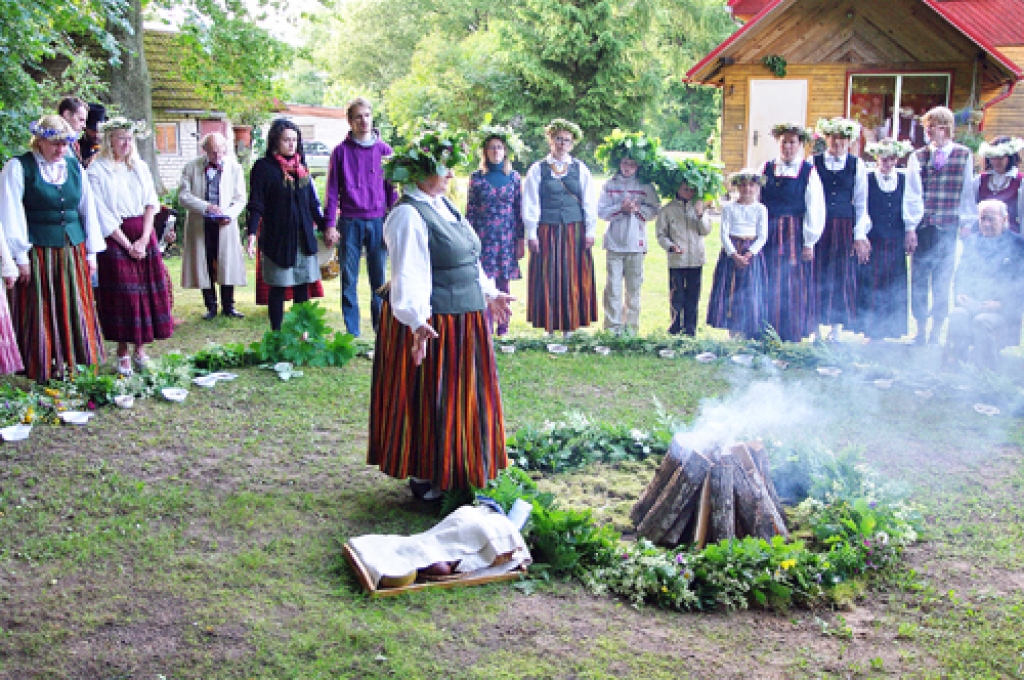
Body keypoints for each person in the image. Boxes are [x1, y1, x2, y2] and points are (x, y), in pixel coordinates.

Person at [368, 124, 513, 501]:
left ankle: (460, 465)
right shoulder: (408, 215)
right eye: (444, 168)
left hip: (466, 318)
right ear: (420, 171)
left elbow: (467, 256)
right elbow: (408, 273)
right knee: (437, 397)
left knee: (462, 396)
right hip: (437, 322)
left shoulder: (443, 205)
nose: (451, 175)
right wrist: (417, 321)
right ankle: (430, 473)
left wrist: (489, 292)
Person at [0, 115, 105, 381]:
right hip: (38, 249)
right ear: (40, 141)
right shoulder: (18, 167)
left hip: (72, 247)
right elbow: (10, 213)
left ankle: (75, 364)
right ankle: (43, 365)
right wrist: (19, 256)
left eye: (64, 144)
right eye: (54, 144)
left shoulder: (73, 167)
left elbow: (87, 209)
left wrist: (92, 251)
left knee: (74, 305)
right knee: (42, 306)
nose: (60, 150)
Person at [88, 117, 174, 375]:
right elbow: (100, 211)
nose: (125, 143)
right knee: (124, 296)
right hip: (115, 237)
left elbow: (151, 203)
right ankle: (122, 352)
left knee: (145, 293)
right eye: (120, 138)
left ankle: (140, 350)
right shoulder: (97, 170)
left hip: (142, 233)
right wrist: (127, 245)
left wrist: (146, 237)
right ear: (109, 140)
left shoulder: (140, 167)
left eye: (129, 138)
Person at [322, 97, 397, 337]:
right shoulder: (340, 152)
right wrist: (330, 224)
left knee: (379, 280)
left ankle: (380, 330)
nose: (363, 120)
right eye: (358, 116)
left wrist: (393, 223)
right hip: (350, 222)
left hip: (378, 222)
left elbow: (392, 191)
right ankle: (352, 333)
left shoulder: (384, 151)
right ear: (350, 121)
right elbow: (332, 191)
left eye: (367, 115)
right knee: (349, 279)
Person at [905, 106, 977, 345]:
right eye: (926, 126)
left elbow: (967, 193)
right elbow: (913, 194)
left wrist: (966, 222)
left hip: (948, 228)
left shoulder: (964, 155)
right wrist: (911, 227)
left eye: (931, 126)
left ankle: (937, 330)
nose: (927, 131)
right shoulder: (918, 156)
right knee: (918, 281)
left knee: (942, 281)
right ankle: (921, 329)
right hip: (924, 228)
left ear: (944, 128)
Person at [246, 118, 326, 331]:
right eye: (286, 140)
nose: (291, 144)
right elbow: (256, 203)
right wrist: (252, 234)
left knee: (302, 288)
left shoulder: (302, 168)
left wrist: (326, 225)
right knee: (278, 288)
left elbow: (311, 204)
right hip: (277, 239)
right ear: (275, 142)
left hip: (303, 238)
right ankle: (277, 335)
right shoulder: (263, 168)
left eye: (294, 140)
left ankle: (301, 335)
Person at [522, 118, 598, 335]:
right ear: (550, 140)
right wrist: (532, 233)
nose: (562, 144)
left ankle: (570, 324)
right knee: (549, 275)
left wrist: (590, 230)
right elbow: (530, 203)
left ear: (572, 144)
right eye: (558, 139)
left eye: (567, 140)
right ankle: (549, 324)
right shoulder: (538, 169)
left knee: (572, 274)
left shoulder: (579, 168)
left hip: (574, 229)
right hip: (547, 229)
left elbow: (589, 201)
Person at [759, 123, 826, 342]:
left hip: (793, 233)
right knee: (767, 277)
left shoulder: (808, 171)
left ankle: (791, 332)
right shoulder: (766, 168)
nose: (788, 147)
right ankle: (765, 330)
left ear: (800, 145)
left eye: (792, 142)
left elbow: (814, 207)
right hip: (768, 232)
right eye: (784, 142)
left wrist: (809, 242)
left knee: (791, 281)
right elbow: (756, 200)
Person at [856, 139, 923, 342]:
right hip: (874, 238)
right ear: (877, 157)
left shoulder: (903, 179)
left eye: (892, 158)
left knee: (893, 283)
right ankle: (871, 332)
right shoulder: (867, 178)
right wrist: (861, 235)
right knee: (872, 284)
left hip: (894, 238)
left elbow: (911, 204)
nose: (888, 162)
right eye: (884, 158)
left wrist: (910, 230)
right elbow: (861, 207)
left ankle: (891, 330)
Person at [945, 200, 1024, 368]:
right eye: (983, 219)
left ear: (1004, 219)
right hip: (973, 304)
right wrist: (960, 295)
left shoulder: (1018, 245)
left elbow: (1020, 285)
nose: (986, 224)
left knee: (982, 321)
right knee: (958, 315)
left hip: (1003, 311)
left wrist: (1000, 304)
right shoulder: (972, 242)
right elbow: (960, 276)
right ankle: (955, 369)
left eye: (991, 219)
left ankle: (985, 376)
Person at [812, 117, 871, 340]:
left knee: (840, 275)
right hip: (820, 226)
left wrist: (859, 233)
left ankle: (835, 329)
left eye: (843, 138)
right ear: (826, 138)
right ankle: (815, 329)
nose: (838, 143)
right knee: (817, 274)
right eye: (834, 138)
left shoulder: (857, 165)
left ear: (850, 141)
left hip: (844, 227)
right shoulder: (814, 163)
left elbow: (861, 202)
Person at [595, 132, 660, 334]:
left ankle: (631, 328)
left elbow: (654, 210)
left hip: (636, 244)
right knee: (613, 288)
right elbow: (601, 211)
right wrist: (619, 209)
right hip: (614, 242)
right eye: (625, 163)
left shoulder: (645, 185)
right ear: (618, 163)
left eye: (632, 164)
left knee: (633, 288)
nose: (628, 167)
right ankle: (612, 328)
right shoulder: (609, 184)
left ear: (638, 166)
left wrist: (637, 210)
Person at [178, 132, 248, 320]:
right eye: (213, 152)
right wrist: (205, 207)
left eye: (220, 151)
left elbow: (240, 198)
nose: (217, 156)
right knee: (204, 262)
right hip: (201, 224)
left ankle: (229, 306)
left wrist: (230, 215)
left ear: (225, 149)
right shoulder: (191, 167)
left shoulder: (234, 168)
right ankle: (210, 306)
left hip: (225, 224)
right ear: (205, 150)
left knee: (226, 262)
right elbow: (183, 196)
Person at [465, 125, 526, 336]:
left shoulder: (515, 178)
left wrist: (520, 240)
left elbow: (519, 211)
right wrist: (468, 239)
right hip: (483, 236)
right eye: (491, 147)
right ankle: (485, 326)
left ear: (505, 150)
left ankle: (503, 327)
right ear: (485, 151)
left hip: (506, 236)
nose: (495, 151)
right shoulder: (477, 178)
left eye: (499, 147)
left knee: (504, 283)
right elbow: (470, 210)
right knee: (484, 282)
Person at [707, 169, 768, 339]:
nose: (747, 189)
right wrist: (734, 255)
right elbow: (724, 233)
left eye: (751, 185)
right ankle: (732, 331)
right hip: (732, 251)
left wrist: (750, 254)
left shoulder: (760, 209)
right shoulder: (729, 208)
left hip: (751, 253)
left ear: (756, 187)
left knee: (749, 292)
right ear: (736, 187)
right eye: (743, 185)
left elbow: (763, 235)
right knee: (731, 291)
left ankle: (748, 331)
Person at [655, 176, 712, 336]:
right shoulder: (667, 210)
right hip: (677, 260)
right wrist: (670, 246)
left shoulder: (700, 207)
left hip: (696, 259)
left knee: (693, 296)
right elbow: (661, 235)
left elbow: (705, 231)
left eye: (692, 189)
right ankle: (675, 327)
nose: (689, 193)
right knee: (677, 295)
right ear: (678, 189)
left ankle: (690, 329)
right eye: (685, 189)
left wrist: (700, 215)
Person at [974, 136, 1024, 234]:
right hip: (983, 237)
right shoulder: (980, 180)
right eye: (993, 158)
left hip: (1011, 238)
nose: (996, 161)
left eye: (1001, 158)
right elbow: (970, 209)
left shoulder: (1020, 182)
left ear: (1010, 157)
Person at [58, 97, 88, 163]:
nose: (84, 126)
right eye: (81, 120)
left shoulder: (73, 143)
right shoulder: (54, 142)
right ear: (67, 114)